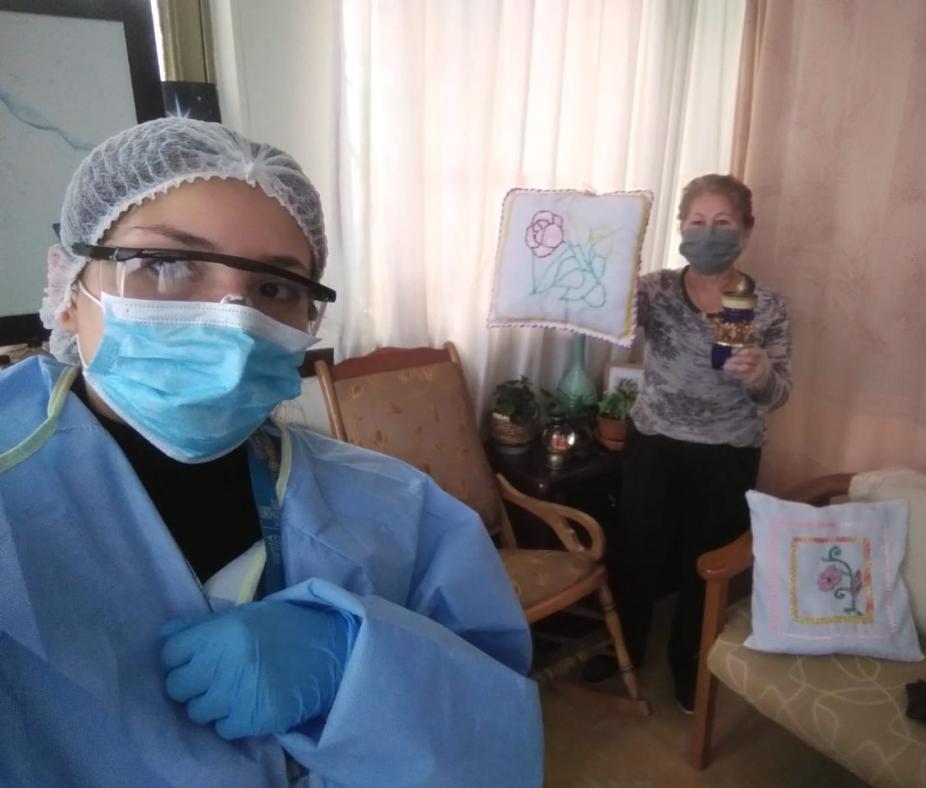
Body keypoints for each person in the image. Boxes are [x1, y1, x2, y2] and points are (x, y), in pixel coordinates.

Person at [0, 118, 542, 787]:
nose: (232, 320)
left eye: (275, 288)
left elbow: (498, 738)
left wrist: (359, 672)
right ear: (67, 289)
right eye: (166, 265)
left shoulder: (396, 508)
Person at [607, 174, 791, 712]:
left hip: (728, 452)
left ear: (746, 231)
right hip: (655, 443)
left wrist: (759, 375)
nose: (708, 233)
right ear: (681, 228)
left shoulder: (766, 306)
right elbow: (610, 326)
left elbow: (777, 397)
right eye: (697, 223)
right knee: (637, 554)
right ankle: (628, 651)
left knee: (704, 566)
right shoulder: (654, 289)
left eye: (723, 223)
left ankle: (689, 665)